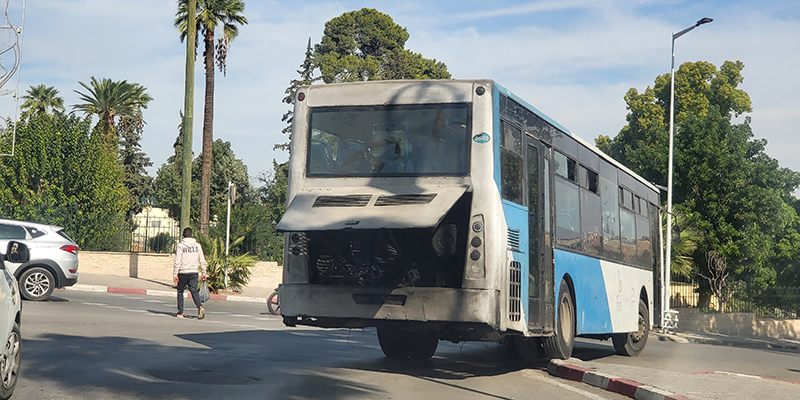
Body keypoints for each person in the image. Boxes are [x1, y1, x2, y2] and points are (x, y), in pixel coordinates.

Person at [173, 227, 208, 319]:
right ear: (191, 235)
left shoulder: (181, 246)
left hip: (183, 272)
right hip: (194, 272)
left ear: (183, 235)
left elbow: (177, 261)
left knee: (180, 291)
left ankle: (180, 312)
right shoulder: (197, 246)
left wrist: (175, 274)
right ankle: (200, 307)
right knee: (194, 291)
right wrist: (204, 273)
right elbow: (202, 260)